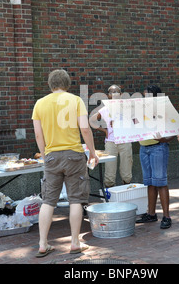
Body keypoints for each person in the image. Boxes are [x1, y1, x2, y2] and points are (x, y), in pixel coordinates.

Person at [32, 69, 99, 257]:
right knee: (76, 199)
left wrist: (45, 154)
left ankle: (43, 244)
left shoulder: (40, 103)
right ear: (67, 83)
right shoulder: (75, 100)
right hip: (74, 155)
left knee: (48, 201)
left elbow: (38, 134)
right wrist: (92, 152)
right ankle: (75, 242)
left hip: (52, 156)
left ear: (50, 84)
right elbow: (85, 129)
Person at [136, 85, 175, 229]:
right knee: (150, 182)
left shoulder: (163, 110)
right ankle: (151, 214)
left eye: (147, 96)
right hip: (143, 148)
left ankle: (166, 216)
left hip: (158, 148)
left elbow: (175, 126)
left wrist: (166, 140)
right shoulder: (141, 111)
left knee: (160, 181)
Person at [90, 85, 133, 188]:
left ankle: (126, 192)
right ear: (108, 95)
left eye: (117, 91)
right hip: (111, 142)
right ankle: (110, 196)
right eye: (112, 92)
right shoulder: (104, 109)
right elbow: (91, 120)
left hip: (125, 141)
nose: (114, 94)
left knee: (126, 172)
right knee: (109, 173)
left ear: (121, 94)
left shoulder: (127, 108)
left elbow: (136, 121)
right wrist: (104, 130)